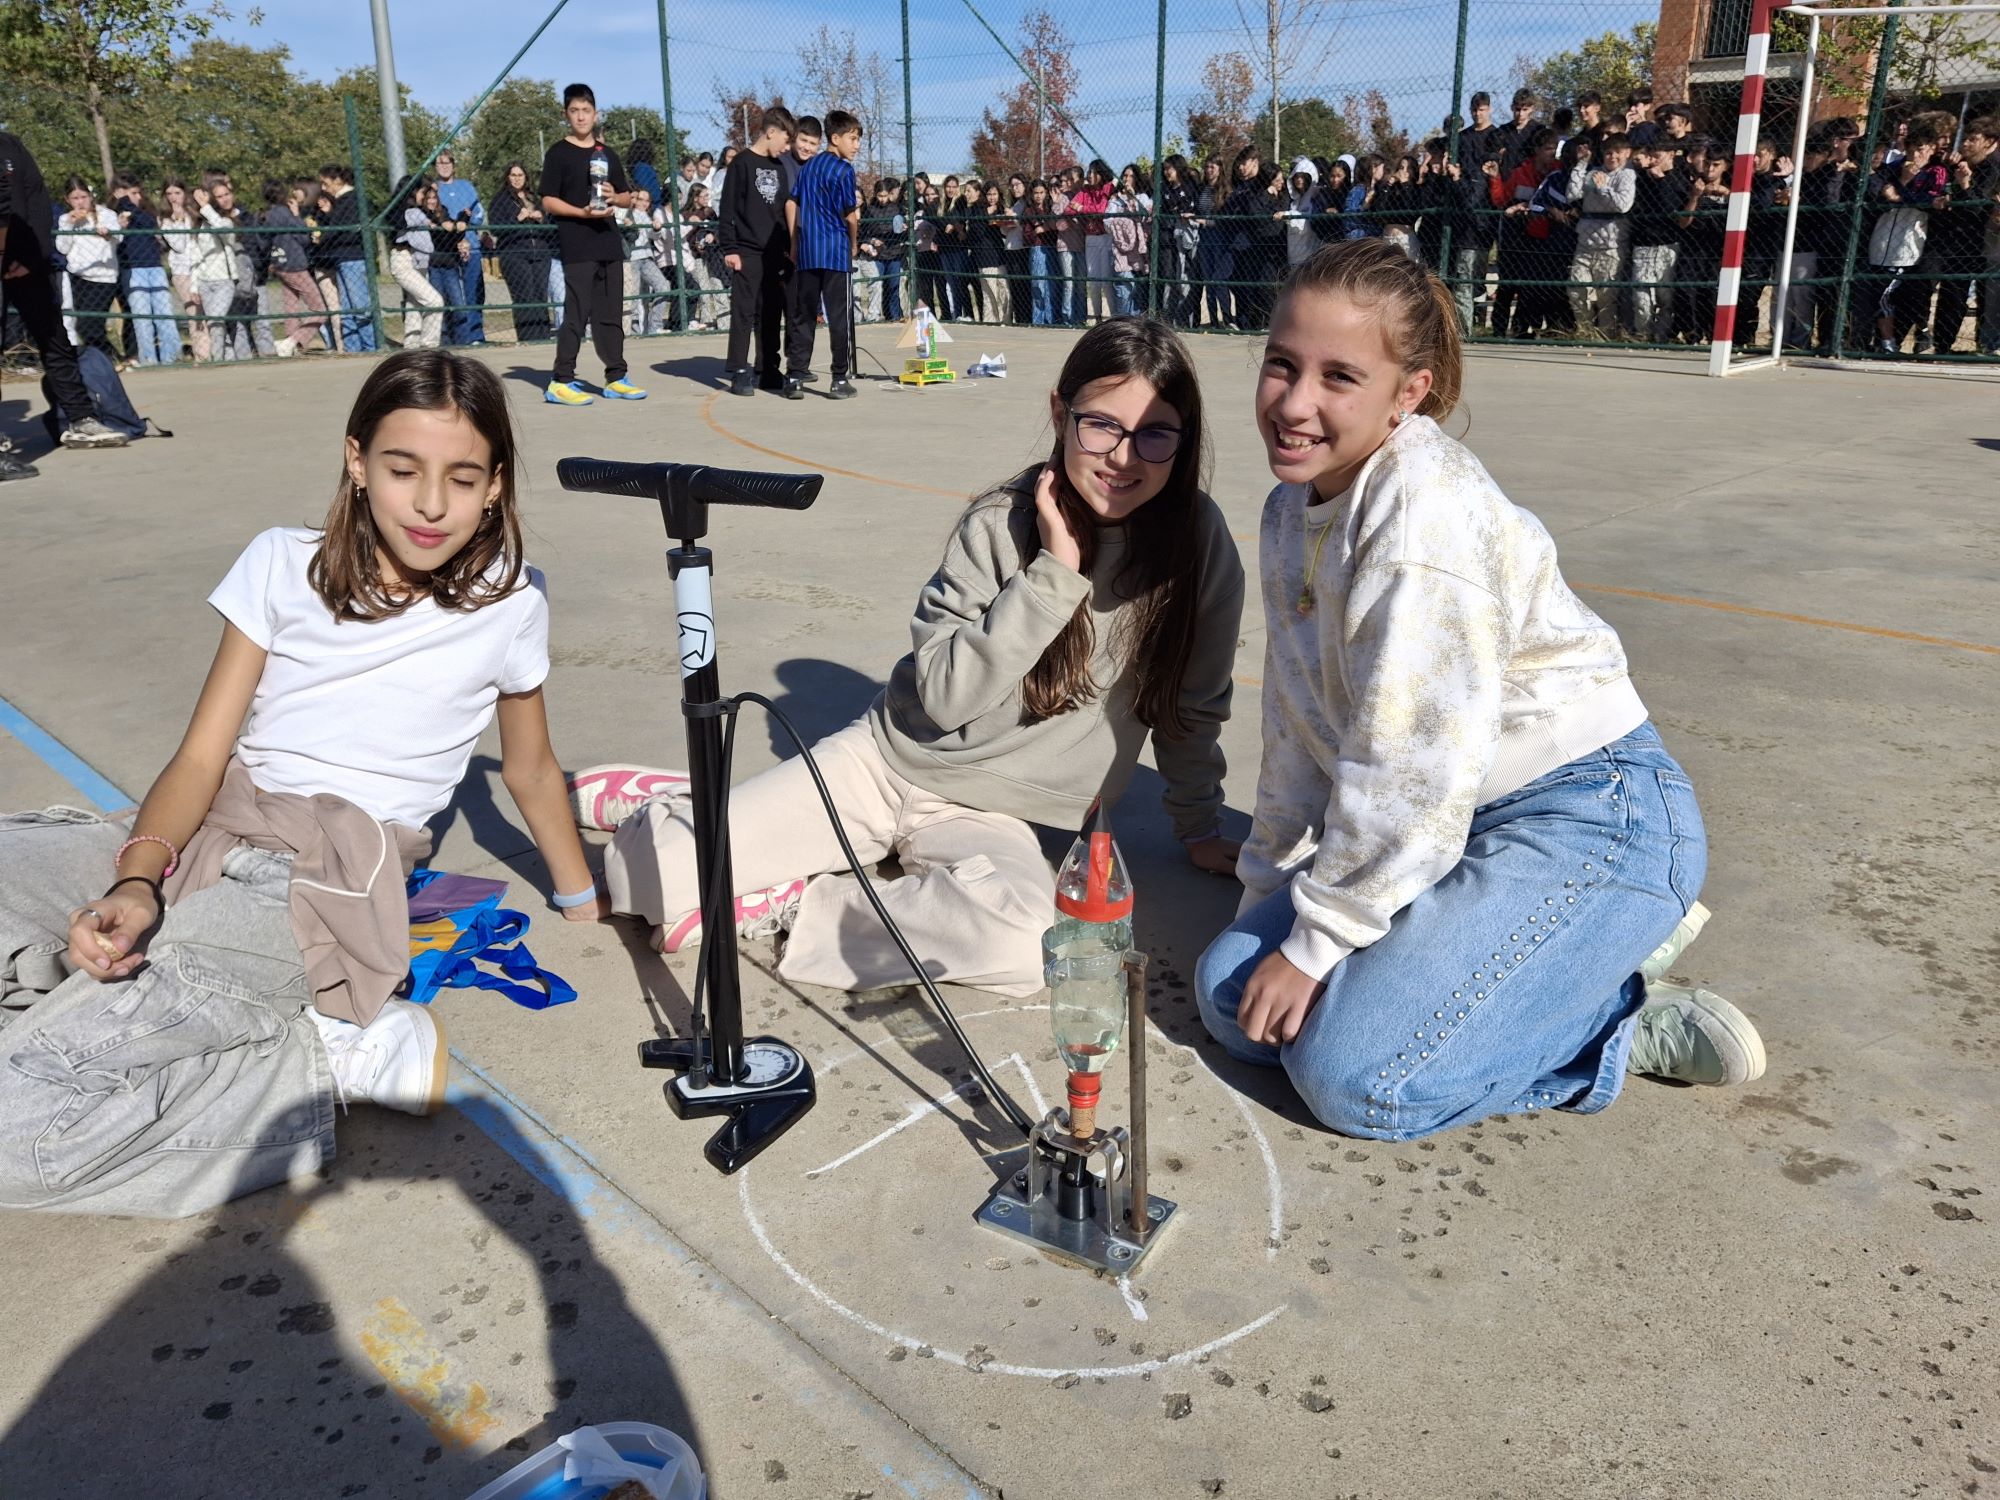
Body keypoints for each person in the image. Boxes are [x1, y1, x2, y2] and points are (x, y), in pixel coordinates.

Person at [0, 350, 605, 1216]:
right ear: (357, 462)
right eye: (403, 470)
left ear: (497, 486)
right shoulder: (282, 562)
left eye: (462, 478)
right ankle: (114, 994)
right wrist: (137, 878)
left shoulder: (511, 604)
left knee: (14, 1123)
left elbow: (531, 766)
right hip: (215, 829)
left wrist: (582, 897)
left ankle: (314, 1067)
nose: (433, 503)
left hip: (324, 877)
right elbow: (203, 759)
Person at [1195, 239, 1765, 1143]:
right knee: (1231, 1001)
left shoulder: (1423, 516)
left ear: (1408, 392)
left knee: (1358, 1081)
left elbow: (1415, 761)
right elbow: (1301, 722)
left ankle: (1610, 1009)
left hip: (1587, 812)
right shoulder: (1287, 509)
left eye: (1340, 376)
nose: (1295, 405)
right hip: (1450, 819)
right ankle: (1524, 968)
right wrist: (1270, 903)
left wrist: (1315, 943)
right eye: (1281, 364)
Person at [570, 318, 1244, 994]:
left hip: (995, 816)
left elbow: (1193, 703)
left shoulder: (1198, 545)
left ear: (1184, 442)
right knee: (646, 876)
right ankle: (676, 802)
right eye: (1102, 425)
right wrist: (1054, 575)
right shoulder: (1000, 526)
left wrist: (1198, 824)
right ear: (1060, 414)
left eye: (1155, 433)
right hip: (886, 765)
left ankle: (797, 907)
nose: (1124, 458)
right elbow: (947, 698)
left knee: (1026, 944)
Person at [0, 130, 130, 481]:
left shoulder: (11, 145)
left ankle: (81, 418)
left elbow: (36, 200)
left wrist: (31, 256)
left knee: (56, 338)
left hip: (27, 262)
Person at [539, 83, 647, 405]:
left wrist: (617, 197)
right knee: (576, 313)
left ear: (595, 114)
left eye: (586, 110)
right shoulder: (558, 153)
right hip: (577, 244)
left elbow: (627, 196)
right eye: (575, 111)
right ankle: (561, 380)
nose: (581, 116)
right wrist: (580, 213)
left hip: (608, 242)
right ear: (566, 114)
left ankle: (616, 377)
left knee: (611, 313)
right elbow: (548, 200)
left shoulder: (606, 153)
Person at [783, 109, 862, 398]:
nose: (856, 145)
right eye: (852, 139)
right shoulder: (843, 170)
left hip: (808, 251)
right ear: (836, 138)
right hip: (835, 253)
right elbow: (851, 216)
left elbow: (792, 203)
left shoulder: (808, 168)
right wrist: (853, 243)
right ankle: (839, 378)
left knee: (803, 316)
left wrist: (794, 243)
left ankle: (794, 378)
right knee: (838, 318)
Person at [718, 103, 796, 397]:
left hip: (774, 252)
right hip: (747, 250)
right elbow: (727, 209)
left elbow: (781, 211)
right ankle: (738, 369)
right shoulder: (741, 163)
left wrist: (788, 247)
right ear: (771, 132)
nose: (787, 147)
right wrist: (730, 247)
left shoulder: (779, 168)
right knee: (744, 311)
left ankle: (767, 368)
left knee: (771, 312)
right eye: (786, 140)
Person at [111, 176, 180, 365]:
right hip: (132, 270)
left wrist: (128, 204)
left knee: (163, 314)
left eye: (137, 192)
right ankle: (148, 358)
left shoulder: (144, 212)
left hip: (154, 267)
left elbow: (149, 223)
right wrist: (122, 204)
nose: (137, 197)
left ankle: (171, 356)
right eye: (132, 193)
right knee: (142, 319)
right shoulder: (112, 212)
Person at [260, 179, 328, 357]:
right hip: (295, 264)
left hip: (280, 262)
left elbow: (264, 241)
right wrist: (297, 216)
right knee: (320, 310)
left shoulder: (269, 214)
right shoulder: (285, 213)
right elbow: (303, 237)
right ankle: (293, 340)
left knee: (291, 307)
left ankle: (291, 346)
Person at [489, 160, 554, 343]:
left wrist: (541, 218)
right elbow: (495, 227)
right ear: (507, 177)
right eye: (513, 175)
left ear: (526, 177)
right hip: (514, 253)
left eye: (520, 175)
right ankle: (527, 337)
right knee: (525, 296)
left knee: (541, 295)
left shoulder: (535, 198)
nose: (517, 179)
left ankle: (543, 336)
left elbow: (550, 225)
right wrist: (516, 219)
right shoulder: (500, 200)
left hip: (540, 252)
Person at [192, 173, 253, 361]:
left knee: (216, 322)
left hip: (224, 281)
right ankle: (227, 357)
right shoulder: (200, 224)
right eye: (219, 196)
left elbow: (224, 232)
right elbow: (195, 255)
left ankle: (217, 360)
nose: (225, 198)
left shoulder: (228, 220)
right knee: (216, 325)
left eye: (227, 194)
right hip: (205, 280)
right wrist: (194, 285)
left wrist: (205, 207)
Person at [58, 176, 121, 357]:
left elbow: (119, 238)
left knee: (91, 324)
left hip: (103, 275)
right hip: (77, 276)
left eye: (83, 197)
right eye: (75, 198)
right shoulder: (65, 219)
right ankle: (104, 358)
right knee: (81, 324)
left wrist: (108, 234)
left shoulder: (106, 214)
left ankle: (107, 356)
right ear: (67, 200)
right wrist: (69, 225)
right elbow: (62, 247)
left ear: (91, 196)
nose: (80, 203)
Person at [318, 163, 376, 353]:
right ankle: (353, 348)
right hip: (342, 258)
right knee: (347, 308)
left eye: (326, 184)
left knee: (359, 307)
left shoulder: (352, 200)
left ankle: (370, 347)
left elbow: (344, 231)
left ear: (338, 180)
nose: (324, 189)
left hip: (352, 257)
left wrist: (324, 236)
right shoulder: (341, 203)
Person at [432, 150, 486, 346]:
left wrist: (469, 228)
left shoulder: (467, 186)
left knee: (474, 293)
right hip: (446, 249)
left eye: (447, 162)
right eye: (440, 163)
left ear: (454, 165)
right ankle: (453, 336)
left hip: (470, 245)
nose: (444, 166)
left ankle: (475, 336)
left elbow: (478, 213)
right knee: (449, 296)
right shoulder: (433, 188)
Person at [386, 174, 445, 350]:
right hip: (403, 260)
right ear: (411, 192)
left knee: (414, 305)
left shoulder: (421, 211)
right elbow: (397, 222)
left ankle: (411, 347)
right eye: (422, 191)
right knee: (435, 301)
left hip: (419, 261)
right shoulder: (401, 211)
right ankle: (429, 345)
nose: (424, 196)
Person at [160, 177, 210, 362]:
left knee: (210, 312)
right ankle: (202, 355)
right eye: (169, 194)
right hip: (183, 271)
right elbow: (179, 244)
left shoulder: (194, 213)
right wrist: (178, 220)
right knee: (195, 314)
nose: (173, 198)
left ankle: (217, 351)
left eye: (177, 193)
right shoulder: (165, 219)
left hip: (203, 267)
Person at [1071, 160, 1116, 323]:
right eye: (1089, 172)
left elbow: (1102, 210)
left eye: (1094, 172)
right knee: (1094, 281)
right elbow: (1070, 208)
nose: (1090, 175)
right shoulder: (1085, 190)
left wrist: (1082, 209)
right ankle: (1097, 318)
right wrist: (1084, 210)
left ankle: (1113, 318)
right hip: (1090, 238)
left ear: (1101, 174)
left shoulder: (1108, 188)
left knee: (1106, 281)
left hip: (1105, 237)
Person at [969, 178, 1010, 324]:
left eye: (995, 194)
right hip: (985, 256)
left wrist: (1007, 219)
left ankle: (1006, 320)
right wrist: (986, 213)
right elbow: (976, 231)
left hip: (999, 254)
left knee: (1004, 290)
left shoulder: (1001, 208)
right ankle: (991, 321)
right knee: (990, 292)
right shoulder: (977, 209)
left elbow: (1005, 231)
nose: (992, 197)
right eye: (989, 194)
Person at [1022, 177, 1058, 326]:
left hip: (1053, 247)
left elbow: (1055, 225)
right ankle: (1038, 319)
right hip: (1038, 248)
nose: (1038, 195)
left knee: (1052, 285)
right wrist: (1042, 228)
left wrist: (1044, 228)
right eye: (1036, 192)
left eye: (1041, 192)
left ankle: (1052, 319)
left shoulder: (1052, 208)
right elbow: (1030, 232)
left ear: (1047, 193)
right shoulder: (1029, 211)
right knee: (1038, 284)